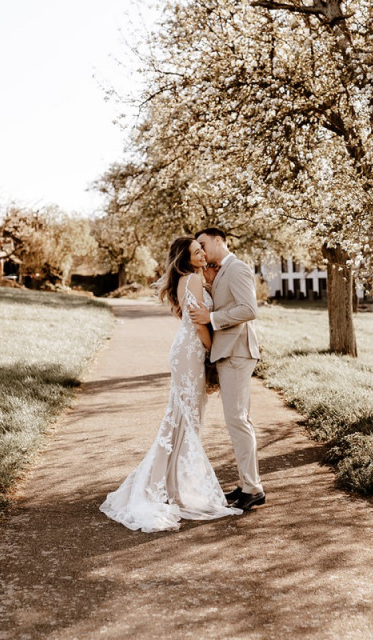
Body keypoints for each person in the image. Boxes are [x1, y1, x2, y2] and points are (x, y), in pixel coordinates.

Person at [100, 237, 242, 533]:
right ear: (185, 259)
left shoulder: (189, 280)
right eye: (196, 251)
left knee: (181, 420)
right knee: (186, 421)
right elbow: (200, 324)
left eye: (202, 248)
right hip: (191, 353)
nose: (202, 253)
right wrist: (212, 355)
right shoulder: (191, 280)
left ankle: (170, 484)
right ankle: (169, 488)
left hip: (184, 351)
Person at [189, 227, 265, 511]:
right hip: (228, 352)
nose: (202, 250)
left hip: (237, 352)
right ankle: (248, 483)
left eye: (204, 244)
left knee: (237, 419)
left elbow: (249, 310)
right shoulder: (219, 271)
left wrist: (212, 317)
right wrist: (209, 286)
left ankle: (253, 488)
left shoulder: (238, 269)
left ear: (219, 241)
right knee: (236, 420)